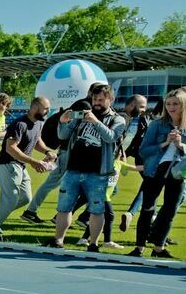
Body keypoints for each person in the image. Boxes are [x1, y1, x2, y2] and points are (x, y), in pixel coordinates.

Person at [45, 83, 126, 252]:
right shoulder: (82, 114)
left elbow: (111, 137)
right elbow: (63, 135)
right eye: (95, 99)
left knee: (97, 209)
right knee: (64, 207)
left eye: (101, 100)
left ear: (110, 99)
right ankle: (58, 240)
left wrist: (95, 122)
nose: (96, 102)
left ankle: (93, 244)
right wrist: (63, 121)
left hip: (98, 172)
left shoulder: (117, 119)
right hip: (73, 168)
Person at [0, 96, 55, 241]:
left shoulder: (39, 122)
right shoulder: (19, 124)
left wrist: (47, 151)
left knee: (25, 198)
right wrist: (33, 161)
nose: (48, 111)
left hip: (20, 165)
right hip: (8, 164)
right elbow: (10, 148)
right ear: (35, 108)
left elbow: (36, 139)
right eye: (45, 108)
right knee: (10, 200)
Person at [129, 87, 186, 258]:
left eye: (175, 103)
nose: (171, 107)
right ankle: (139, 248)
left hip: (178, 173)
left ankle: (158, 248)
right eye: (168, 103)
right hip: (155, 171)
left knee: (170, 210)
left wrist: (180, 145)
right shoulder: (157, 124)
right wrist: (165, 142)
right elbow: (143, 151)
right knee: (147, 208)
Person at [119, 95, 149, 232]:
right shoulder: (122, 119)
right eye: (142, 107)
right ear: (132, 106)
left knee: (149, 185)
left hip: (134, 156)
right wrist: (121, 156)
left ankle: (133, 214)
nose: (144, 110)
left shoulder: (137, 120)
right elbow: (124, 142)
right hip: (117, 158)